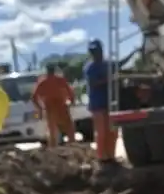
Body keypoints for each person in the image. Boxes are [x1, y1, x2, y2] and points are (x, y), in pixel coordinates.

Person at [83, 39, 119, 168]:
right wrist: (109, 79)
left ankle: (111, 157)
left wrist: (134, 52)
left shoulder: (108, 64)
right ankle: (101, 158)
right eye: (93, 51)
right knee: (101, 132)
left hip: (109, 103)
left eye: (97, 50)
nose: (96, 53)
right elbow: (93, 83)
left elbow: (120, 64)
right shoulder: (90, 67)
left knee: (112, 131)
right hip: (97, 104)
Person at [31, 64, 77, 147]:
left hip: (50, 108)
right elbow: (70, 93)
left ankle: (53, 149)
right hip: (61, 106)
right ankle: (72, 146)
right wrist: (71, 102)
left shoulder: (43, 82)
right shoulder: (60, 80)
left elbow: (34, 97)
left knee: (52, 131)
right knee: (69, 129)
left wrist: (40, 108)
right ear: (54, 70)